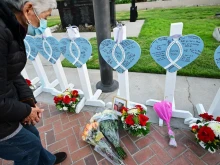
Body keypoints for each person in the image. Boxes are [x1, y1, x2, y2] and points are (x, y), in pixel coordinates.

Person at [0, 0, 67, 164]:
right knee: (28, 147)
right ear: (29, 9)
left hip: (8, 101)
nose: (45, 23)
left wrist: (29, 102)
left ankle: (47, 161)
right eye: (45, 16)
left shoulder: (11, 27)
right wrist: (25, 111)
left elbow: (12, 72)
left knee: (33, 135)